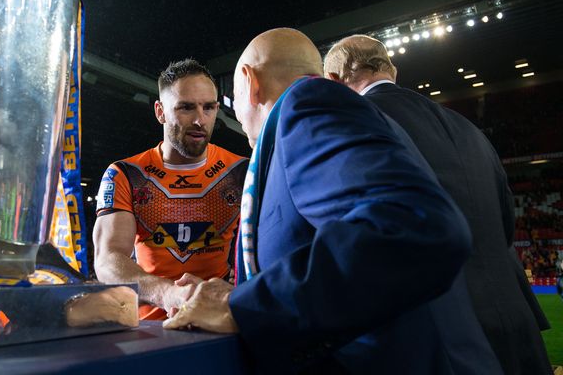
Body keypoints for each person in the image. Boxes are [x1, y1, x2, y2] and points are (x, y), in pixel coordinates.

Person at [164, 28, 502, 374]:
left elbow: (413, 226)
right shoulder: (321, 123)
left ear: (250, 83)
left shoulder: (307, 104)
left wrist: (244, 305)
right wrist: (231, 292)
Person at [323, 34, 553, 375]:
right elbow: (506, 224)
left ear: (333, 80)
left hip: (442, 339)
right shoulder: (469, 127)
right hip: (518, 329)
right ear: (393, 70)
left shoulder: (351, 123)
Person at [93, 58, 248, 320]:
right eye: (186, 108)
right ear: (160, 111)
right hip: (151, 328)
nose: (200, 120)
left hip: (222, 321)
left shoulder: (241, 172)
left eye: (209, 107)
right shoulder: (127, 174)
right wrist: (168, 295)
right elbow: (108, 259)